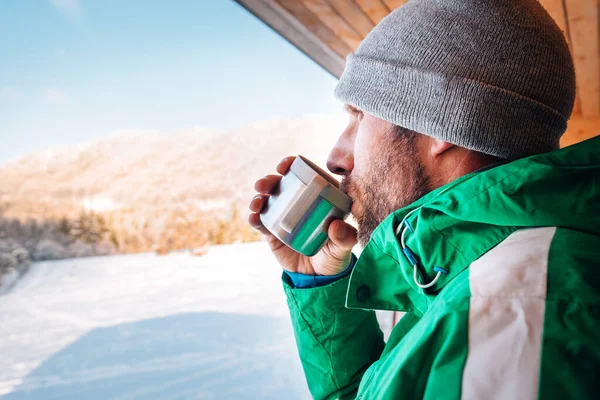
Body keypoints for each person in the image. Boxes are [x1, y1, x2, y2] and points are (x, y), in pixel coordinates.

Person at [248, 0, 600, 398]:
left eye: (359, 116)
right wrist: (319, 282)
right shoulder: (458, 281)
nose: (336, 158)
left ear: (442, 123)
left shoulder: (510, 311)